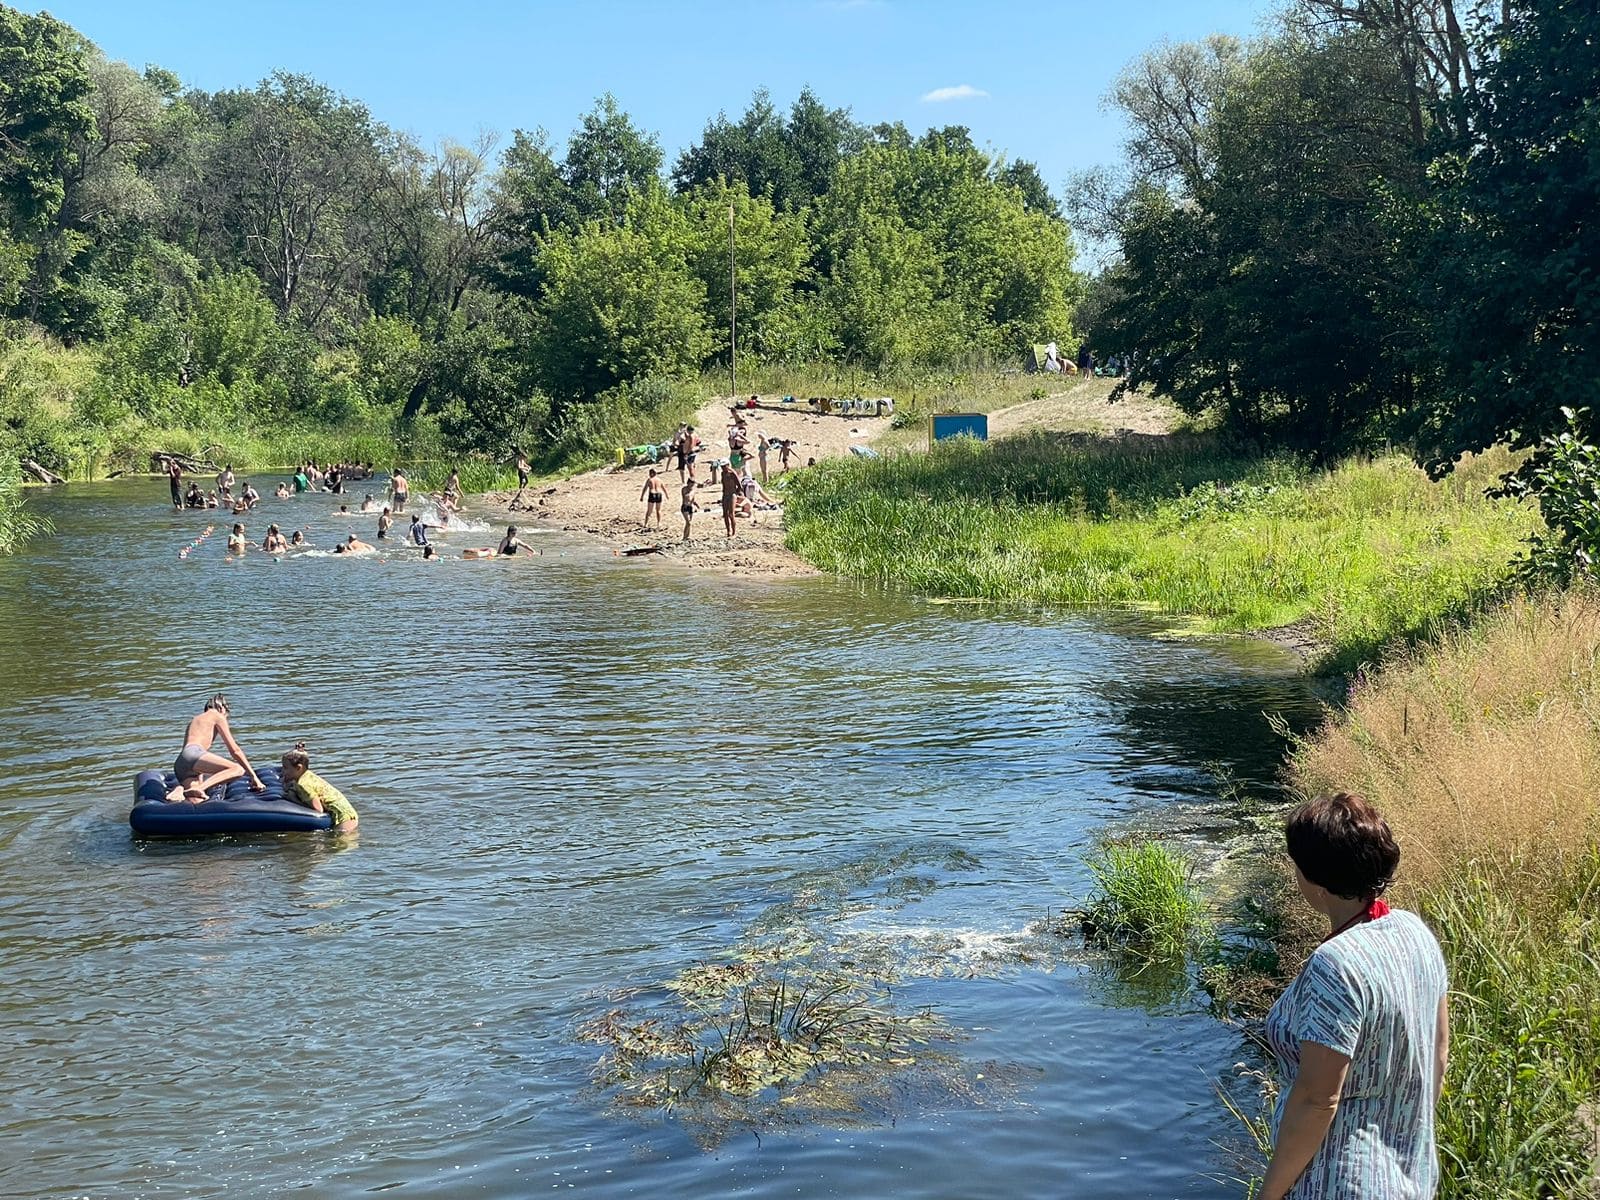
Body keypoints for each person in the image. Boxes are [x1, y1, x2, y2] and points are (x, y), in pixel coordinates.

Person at [1260, 793, 1449, 1200]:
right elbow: (1438, 1051)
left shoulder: (1335, 964)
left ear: (1317, 879)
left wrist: (1269, 1195)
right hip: (1409, 1176)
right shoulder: (1415, 933)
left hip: (1340, 1182)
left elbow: (1317, 1099)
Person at [167, 694, 265, 802]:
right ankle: (198, 788)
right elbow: (235, 751)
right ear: (222, 708)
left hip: (181, 761)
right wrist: (254, 777)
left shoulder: (194, 720)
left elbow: (189, 757)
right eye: (226, 714)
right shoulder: (217, 716)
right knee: (238, 769)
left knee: (196, 801)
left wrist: (196, 784)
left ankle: (179, 789)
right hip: (194, 753)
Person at [280, 744, 358, 833]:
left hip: (342, 818)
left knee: (340, 843)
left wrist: (293, 799)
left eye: (285, 768)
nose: (282, 771)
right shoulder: (307, 775)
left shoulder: (303, 785)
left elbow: (318, 810)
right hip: (347, 813)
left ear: (298, 768)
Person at [719, 461, 740, 537]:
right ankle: (728, 531)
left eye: (724, 466)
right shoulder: (723, 474)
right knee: (725, 514)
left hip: (732, 494)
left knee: (731, 513)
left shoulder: (732, 474)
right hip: (725, 494)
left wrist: (735, 493)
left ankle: (734, 531)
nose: (723, 468)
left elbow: (739, 485)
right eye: (722, 467)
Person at [679, 477, 698, 542]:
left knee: (690, 523)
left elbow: (693, 499)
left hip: (690, 507)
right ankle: (684, 537)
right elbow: (686, 496)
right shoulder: (684, 489)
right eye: (691, 484)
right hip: (685, 507)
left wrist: (696, 504)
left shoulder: (693, 490)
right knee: (688, 522)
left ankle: (687, 536)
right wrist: (690, 492)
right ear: (688, 483)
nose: (692, 485)